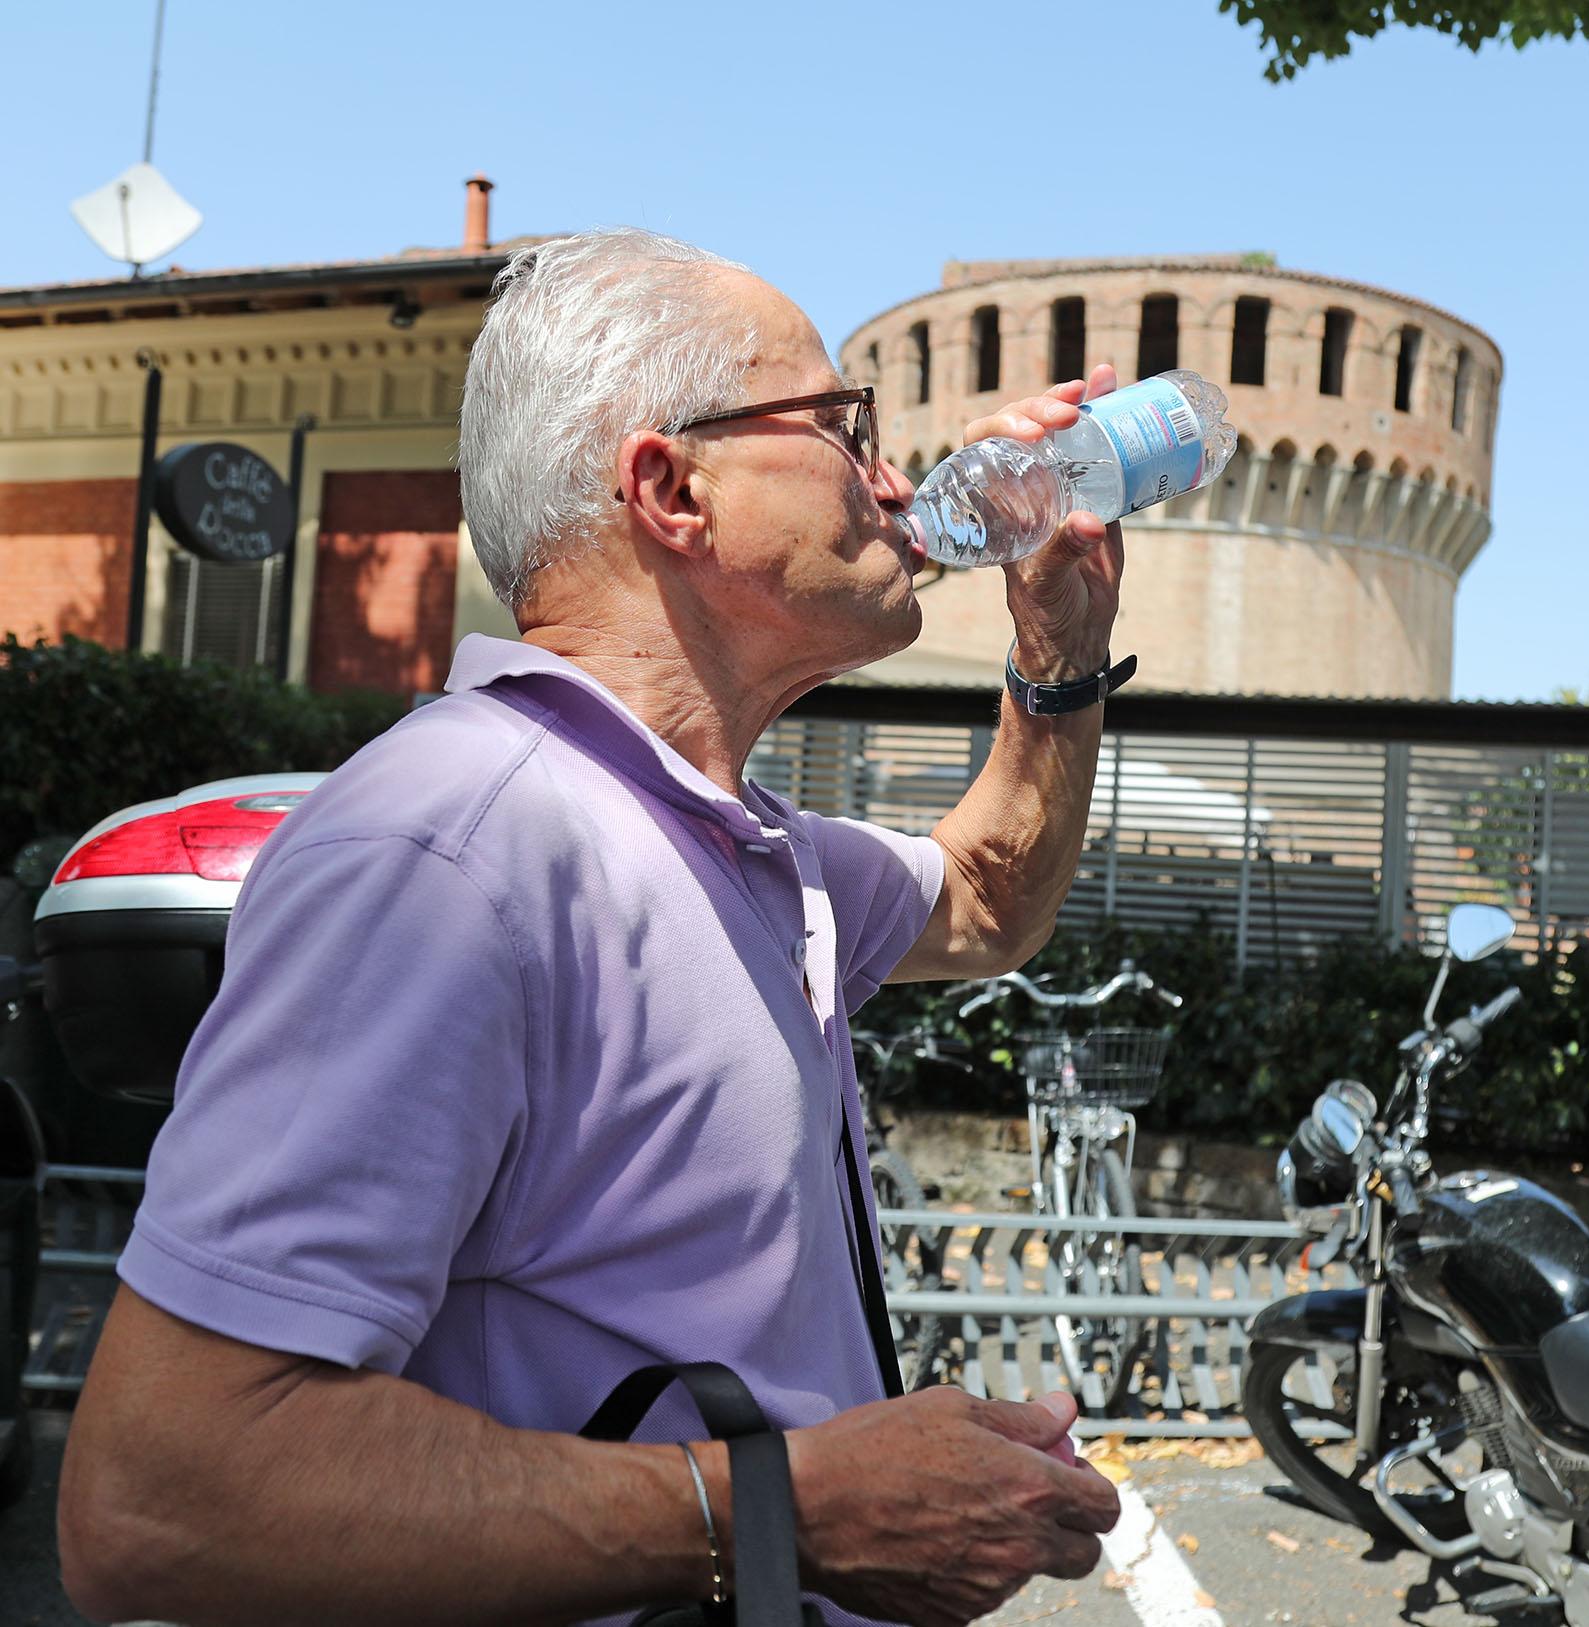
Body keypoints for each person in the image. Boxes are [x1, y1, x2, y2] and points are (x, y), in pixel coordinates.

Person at [58, 229, 1133, 1627]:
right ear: (671, 487)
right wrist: (790, 1512)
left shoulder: (739, 846)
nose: (892, 474)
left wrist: (1058, 657)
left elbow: (989, 897)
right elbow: (163, 1498)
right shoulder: (455, 848)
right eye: (840, 420)